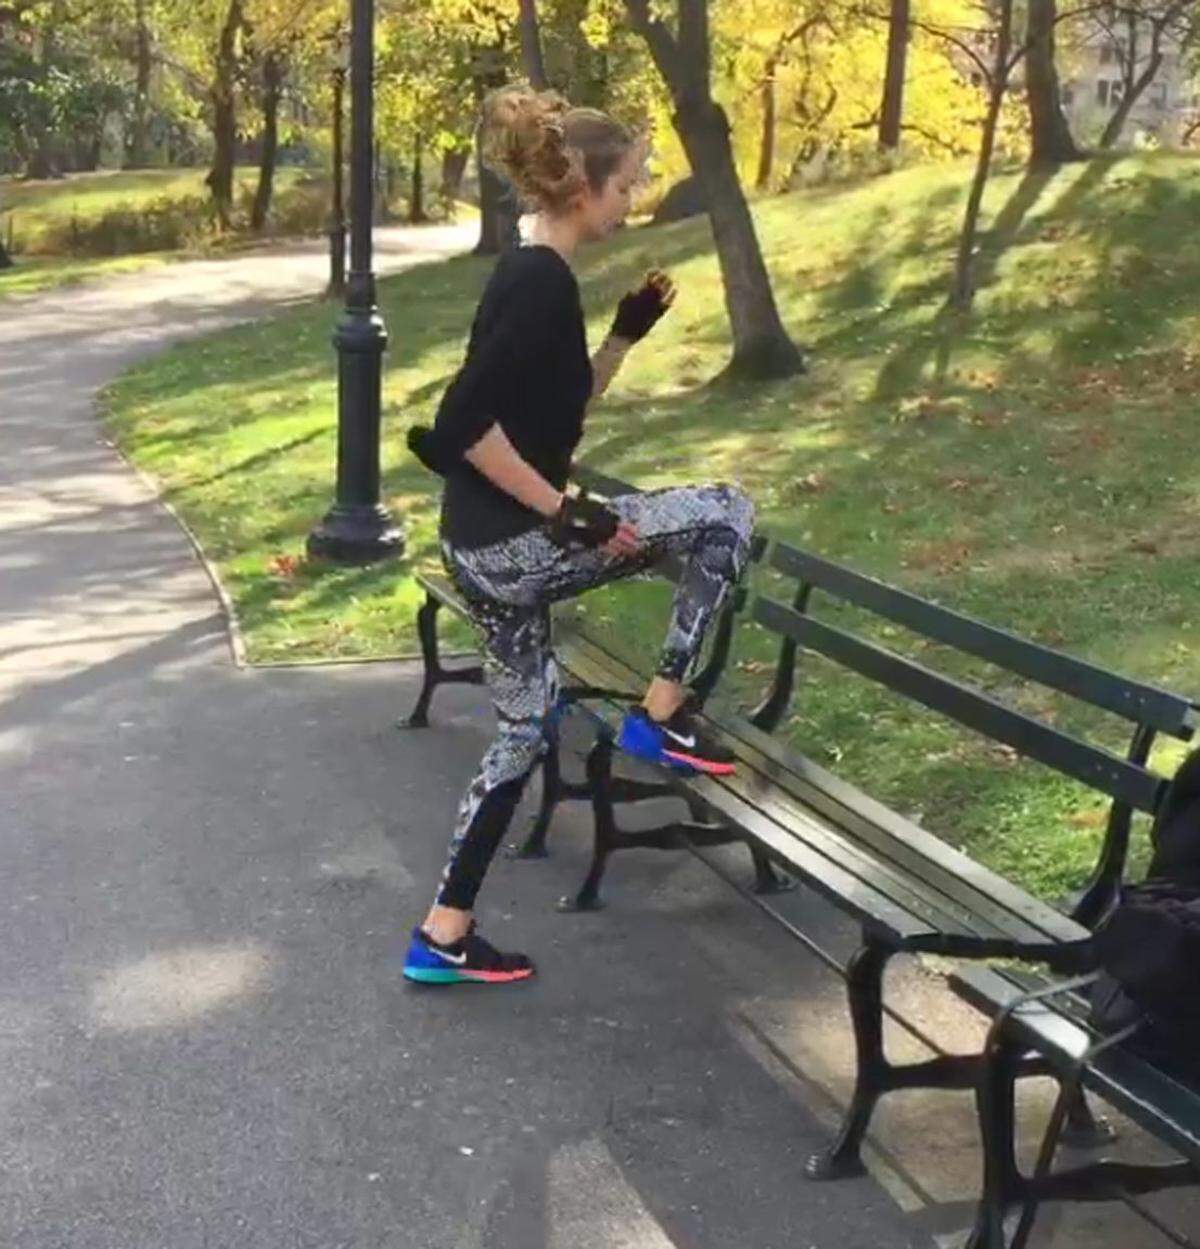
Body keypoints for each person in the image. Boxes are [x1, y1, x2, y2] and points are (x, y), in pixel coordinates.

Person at [403, 84, 755, 987]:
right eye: (629, 182)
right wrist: (561, 511)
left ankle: (442, 934)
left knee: (520, 733)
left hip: (480, 553)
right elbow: (461, 425)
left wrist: (624, 340)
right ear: (583, 186)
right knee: (725, 508)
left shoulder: (538, 277)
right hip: (516, 548)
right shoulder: (537, 282)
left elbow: (546, 417)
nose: (634, 197)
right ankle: (661, 717)